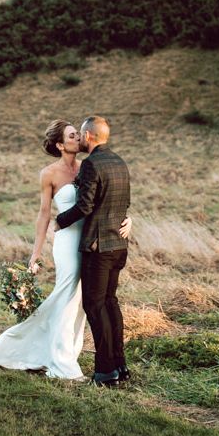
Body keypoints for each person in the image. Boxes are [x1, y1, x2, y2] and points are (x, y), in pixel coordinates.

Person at [0, 119, 131, 379]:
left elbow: (106, 198)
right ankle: (59, 360)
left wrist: (127, 219)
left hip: (93, 240)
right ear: (60, 144)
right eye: (72, 136)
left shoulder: (87, 166)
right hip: (68, 241)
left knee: (83, 302)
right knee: (67, 296)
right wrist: (36, 254)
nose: (78, 139)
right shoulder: (49, 173)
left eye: (78, 134)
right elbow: (44, 215)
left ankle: (67, 352)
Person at [54, 115, 130, 387]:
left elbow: (85, 206)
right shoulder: (120, 162)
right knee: (110, 303)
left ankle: (106, 371)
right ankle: (119, 365)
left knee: (95, 306)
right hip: (119, 245)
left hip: (97, 248)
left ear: (88, 136)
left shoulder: (91, 165)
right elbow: (123, 203)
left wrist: (60, 221)